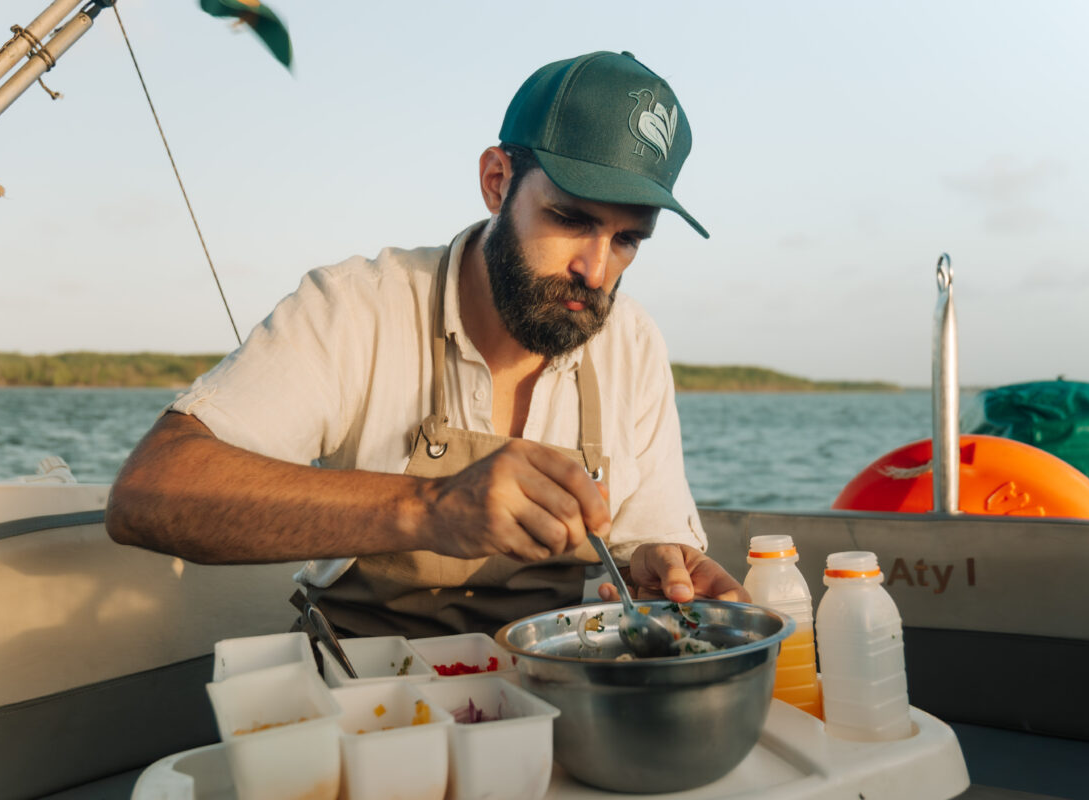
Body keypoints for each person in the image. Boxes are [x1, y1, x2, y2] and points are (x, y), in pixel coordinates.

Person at [106, 50, 747, 638]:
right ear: (497, 181)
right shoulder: (356, 307)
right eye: (571, 219)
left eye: (628, 239)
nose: (597, 269)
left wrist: (660, 564)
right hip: (366, 697)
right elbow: (149, 493)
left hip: (554, 692)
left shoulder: (630, 340)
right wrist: (430, 507)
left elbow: (648, 537)